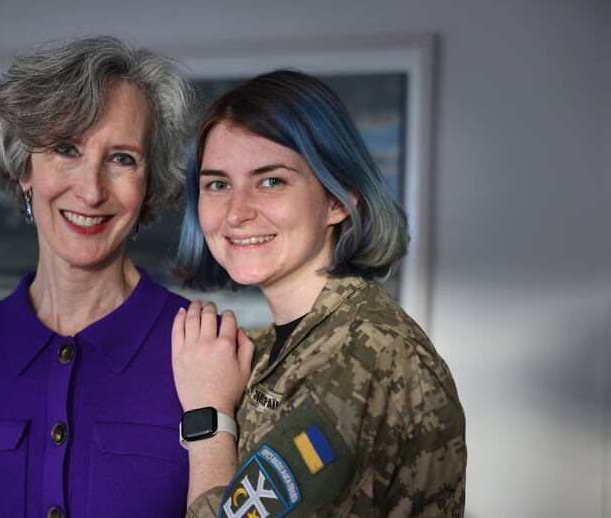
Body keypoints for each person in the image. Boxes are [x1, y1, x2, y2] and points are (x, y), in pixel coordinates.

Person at [0, 36, 198, 518]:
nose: (91, 189)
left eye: (122, 158)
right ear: (25, 169)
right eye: (65, 148)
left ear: (149, 184)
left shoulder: (205, 349)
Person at [171, 70, 467, 517]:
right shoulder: (267, 346)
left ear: (337, 199)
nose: (236, 212)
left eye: (271, 181)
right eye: (218, 184)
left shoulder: (365, 353)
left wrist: (208, 416)